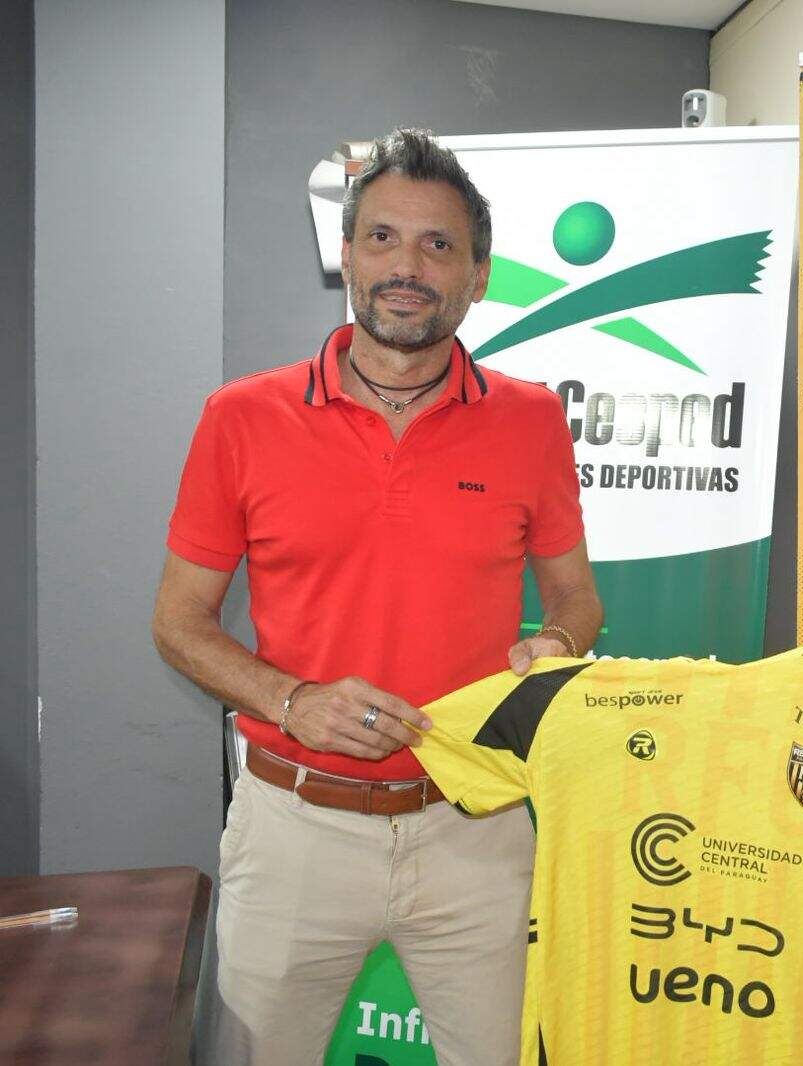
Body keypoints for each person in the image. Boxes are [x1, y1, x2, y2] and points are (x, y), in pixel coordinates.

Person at [152, 128, 602, 1066]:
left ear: (479, 275)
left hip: (476, 830)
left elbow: (576, 599)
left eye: (439, 245)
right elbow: (178, 623)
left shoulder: (531, 419)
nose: (408, 266)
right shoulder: (242, 416)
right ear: (348, 256)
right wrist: (292, 701)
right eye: (384, 238)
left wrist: (556, 646)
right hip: (293, 832)